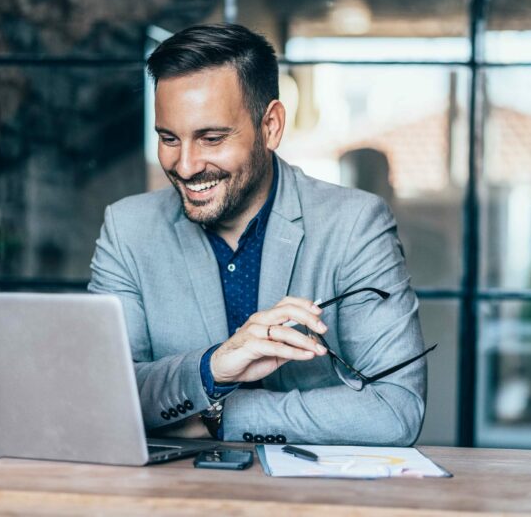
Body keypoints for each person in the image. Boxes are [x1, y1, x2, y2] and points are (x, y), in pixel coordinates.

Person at [88, 23, 427, 445]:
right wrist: (212, 367)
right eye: (168, 138)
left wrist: (219, 416)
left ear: (270, 126)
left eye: (211, 138)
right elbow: (105, 395)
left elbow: (396, 410)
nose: (186, 165)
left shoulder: (355, 224)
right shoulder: (127, 229)